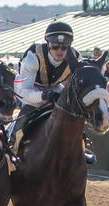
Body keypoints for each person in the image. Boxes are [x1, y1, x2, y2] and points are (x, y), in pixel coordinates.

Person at [11, 21, 81, 154]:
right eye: (55, 47)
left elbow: (75, 88)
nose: (60, 51)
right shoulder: (33, 57)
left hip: (55, 88)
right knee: (26, 115)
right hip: (31, 91)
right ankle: (13, 145)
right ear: (48, 44)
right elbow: (22, 92)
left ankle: (81, 146)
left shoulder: (76, 58)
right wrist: (43, 96)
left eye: (64, 47)